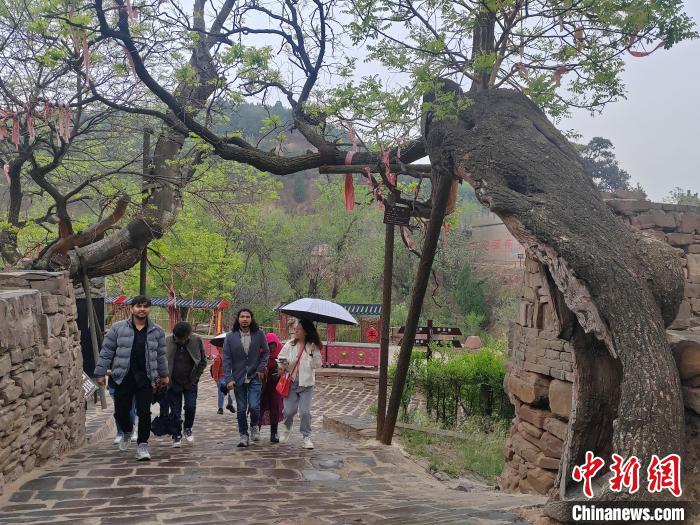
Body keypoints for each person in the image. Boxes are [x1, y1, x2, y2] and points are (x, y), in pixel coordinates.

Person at [94, 295, 169, 461]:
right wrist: (100, 373)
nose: (142, 309)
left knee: (144, 412)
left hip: (146, 377)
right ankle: (127, 430)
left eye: (145, 306)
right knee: (121, 411)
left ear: (149, 309)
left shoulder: (157, 331)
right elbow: (106, 351)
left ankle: (143, 445)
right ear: (131, 308)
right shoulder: (117, 328)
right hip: (122, 377)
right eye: (138, 306)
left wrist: (164, 375)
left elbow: (161, 355)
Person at [222, 308, 269, 447]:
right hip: (238, 378)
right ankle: (243, 435)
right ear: (238, 319)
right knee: (241, 408)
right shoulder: (230, 337)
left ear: (251, 319)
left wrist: (261, 368)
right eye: (242, 316)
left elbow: (266, 352)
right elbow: (226, 359)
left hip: (255, 376)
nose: (245, 319)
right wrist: (229, 378)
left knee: (254, 406)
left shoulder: (259, 334)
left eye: (247, 317)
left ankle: (254, 425)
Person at [277, 319, 323, 449]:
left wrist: (313, 353)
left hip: (306, 384)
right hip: (291, 383)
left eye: (299, 329)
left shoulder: (313, 346)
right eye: (295, 328)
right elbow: (281, 358)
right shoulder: (290, 344)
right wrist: (283, 364)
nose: (295, 330)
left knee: (305, 413)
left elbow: (317, 365)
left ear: (306, 331)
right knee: (288, 411)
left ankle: (306, 437)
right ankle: (287, 427)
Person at [166, 321, 207, 447]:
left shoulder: (196, 340)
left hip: (190, 381)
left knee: (190, 406)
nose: (182, 341)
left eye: (184, 338)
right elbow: (161, 360)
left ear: (189, 335)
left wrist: (197, 376)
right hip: (173, 382)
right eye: (179, 339)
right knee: (175, 410)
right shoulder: (167, 341)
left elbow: (203, 360)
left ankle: (188, 428)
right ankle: (176, 434)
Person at [260, 332, 284, 443]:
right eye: (269, 346)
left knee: (275, 407)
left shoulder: (282, 351)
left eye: (273, 346)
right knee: (259, 406)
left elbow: (285, 366)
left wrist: (279, 372)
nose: (272, 348)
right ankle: (256, 429)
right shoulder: (261, 351)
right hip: (262, 384)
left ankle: (274, 433)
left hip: (275, 385)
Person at [107, 373, 137, 445]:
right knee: (118, 409)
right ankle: (120, 433)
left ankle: (131, 430)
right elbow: (103, 366)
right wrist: (101, 374)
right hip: (114, 383)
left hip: (131, 381)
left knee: (131, 410)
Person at [211, 347, 234, 414]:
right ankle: (220, 408)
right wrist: (217, 380)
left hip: (229, 377)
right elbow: (215, 371)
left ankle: (229, 404)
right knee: (221, 392)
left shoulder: (230, 357)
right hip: (221, 378)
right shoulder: (218, 358)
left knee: (231, 391)